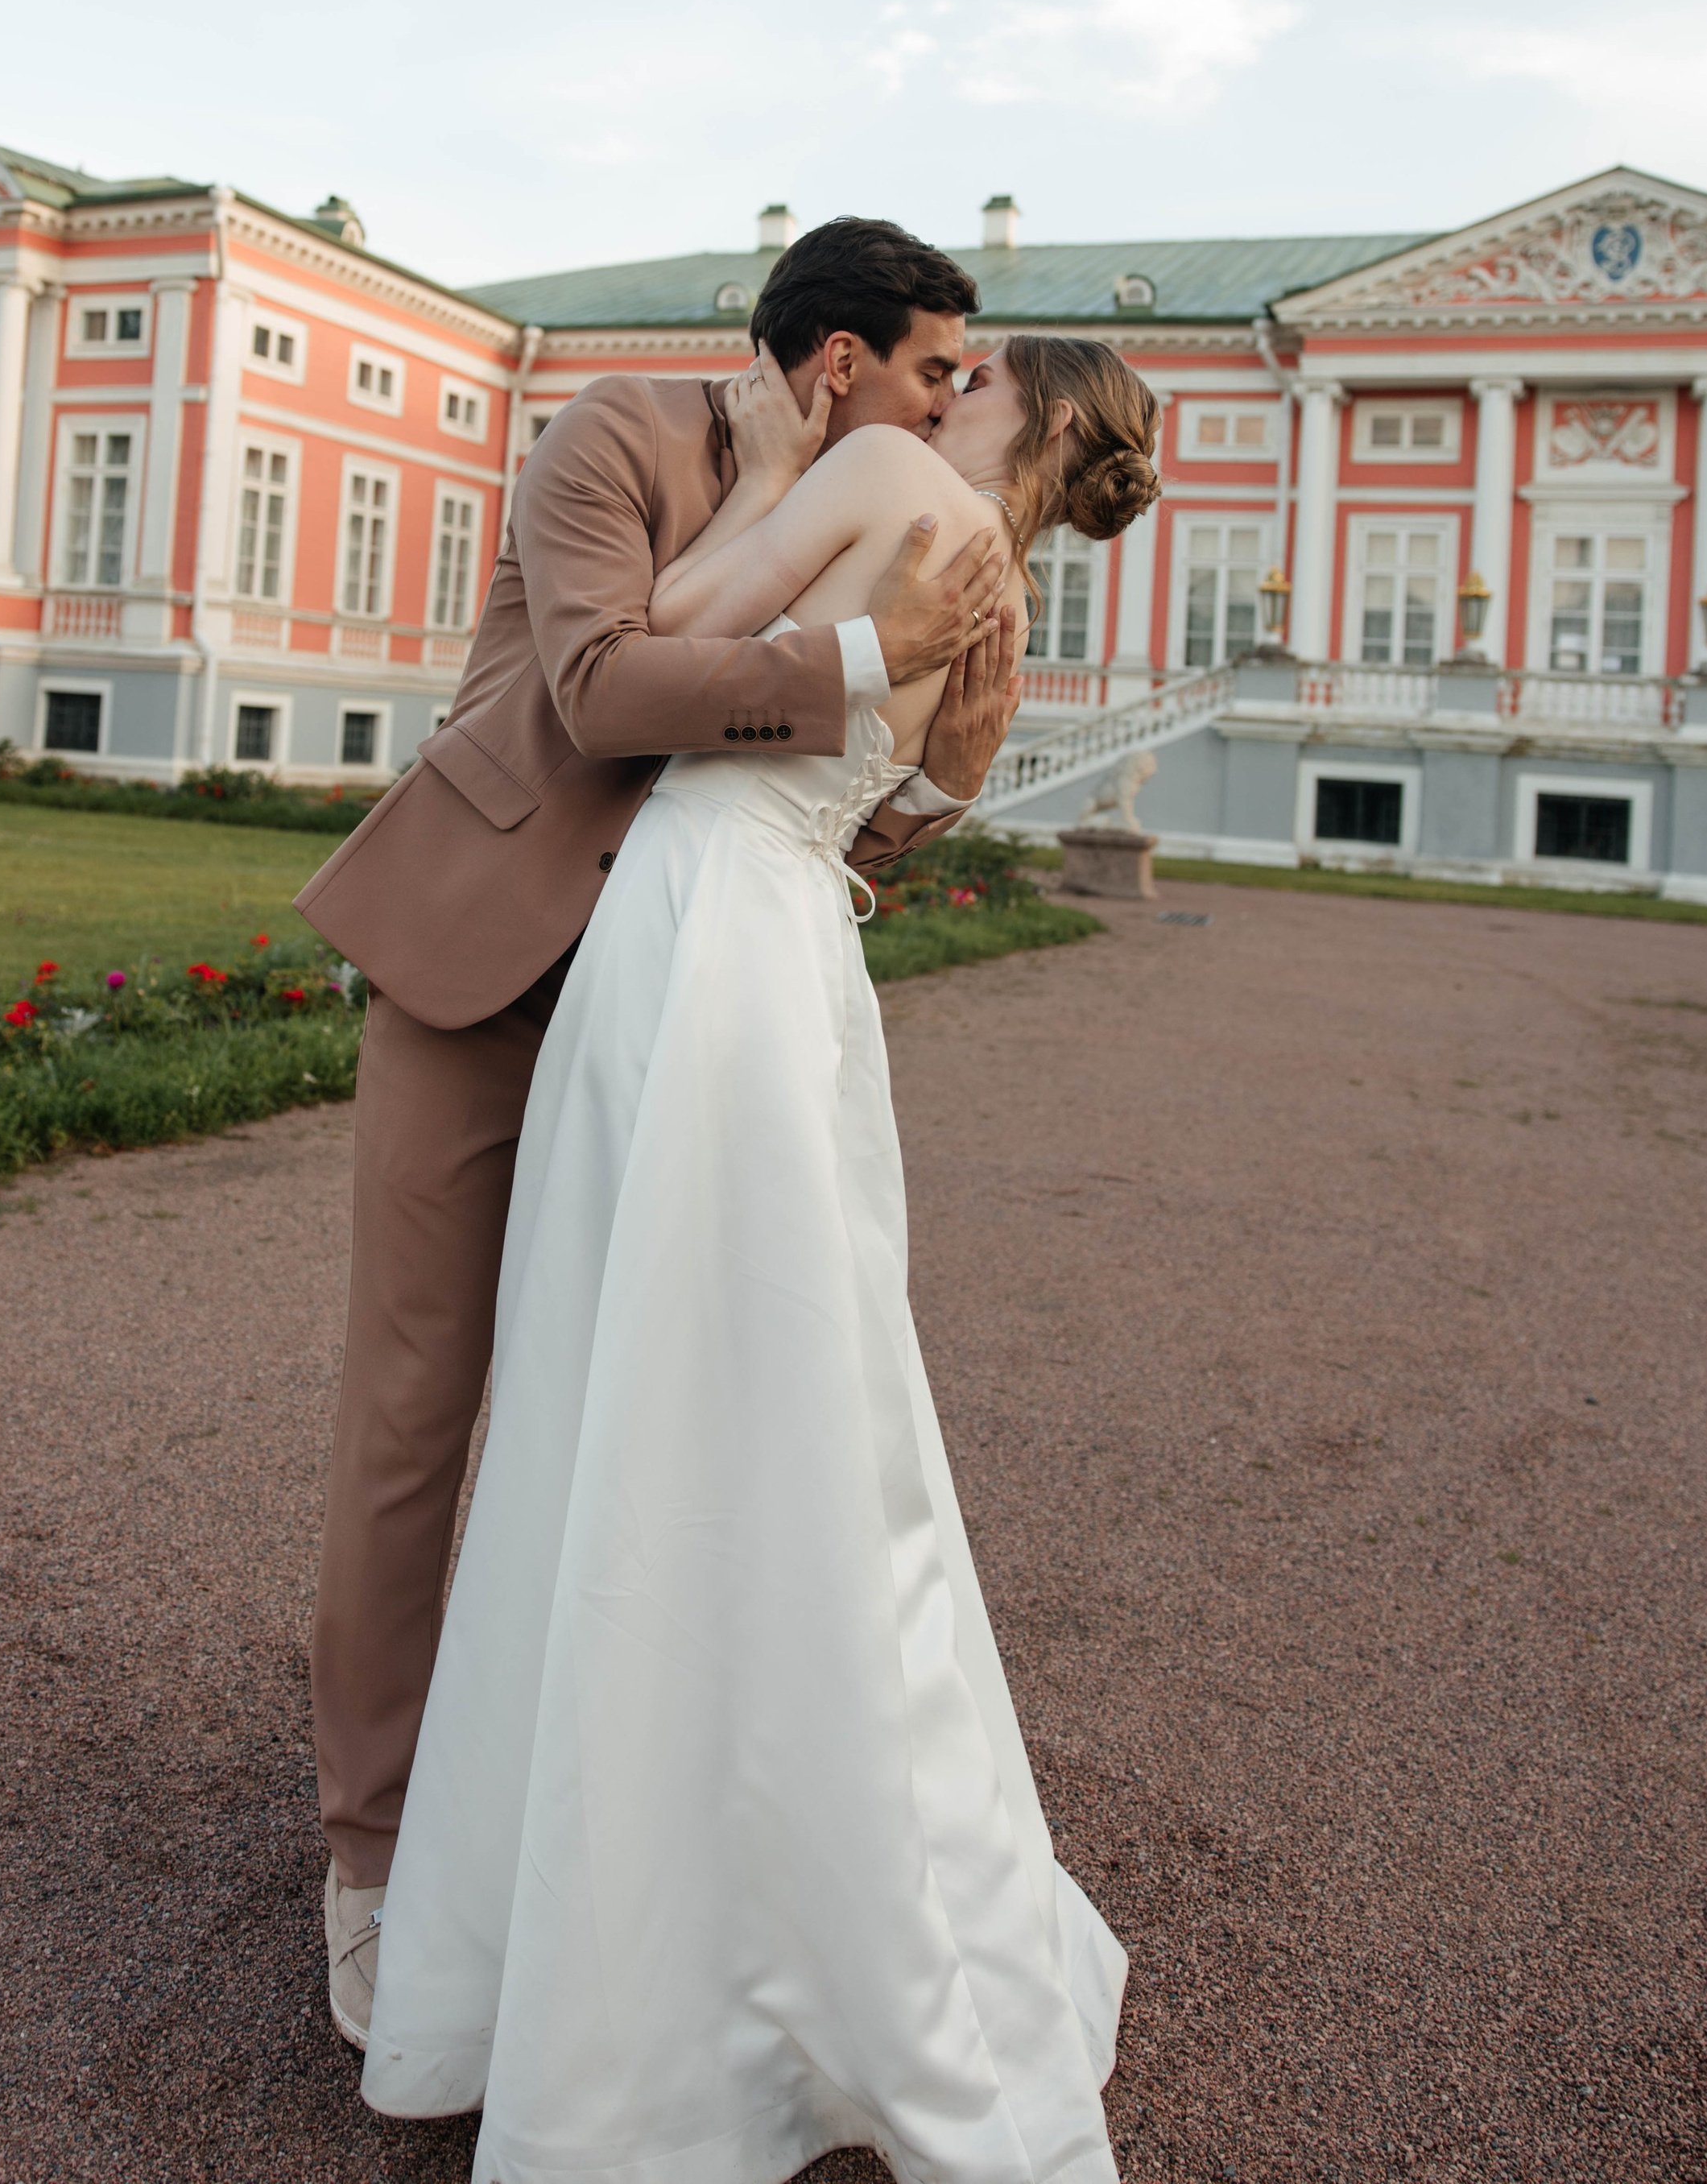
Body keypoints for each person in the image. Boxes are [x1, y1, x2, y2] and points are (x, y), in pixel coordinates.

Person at [358, 332, 1161, 2184]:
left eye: (964, 385)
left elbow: (654, 643)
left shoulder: (888, 487)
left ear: (1010, 421)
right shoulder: (1006, 609)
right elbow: (910, 809)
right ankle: (800, 1884)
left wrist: (767, 484)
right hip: (796, 943)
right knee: (801, 1403)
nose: (927, 397)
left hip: (698, 921)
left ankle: (607, 1935)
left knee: (620, 1380)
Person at [296, 217, 1024, 2045]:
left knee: (642, 1428)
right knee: (414, 1417)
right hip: (485, 973)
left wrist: (950, 716)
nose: (958, 404)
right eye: (940, 367)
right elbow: (597, 691)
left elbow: (868, 806)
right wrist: (862, 660)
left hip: (684, 1008)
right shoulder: (609, 433)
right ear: (840, 358)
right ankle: (371, 1852)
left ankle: (571, 1847)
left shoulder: (880, 499)